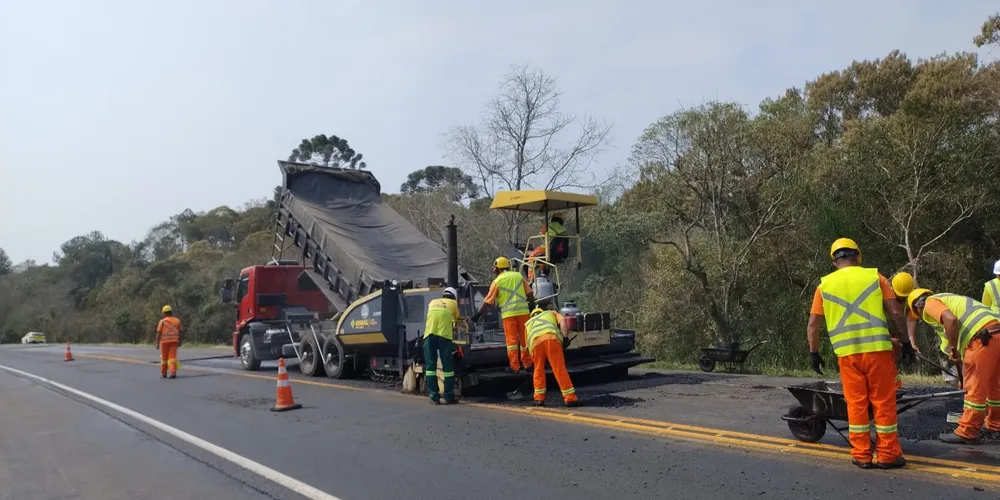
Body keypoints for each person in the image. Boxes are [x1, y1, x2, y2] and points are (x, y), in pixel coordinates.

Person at [807, 238, 914, 469]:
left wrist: (813, 353)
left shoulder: (824, 286)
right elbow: (896, 313)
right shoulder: (875, 277)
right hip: (877, 352)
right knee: (883, 403)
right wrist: (905, 343)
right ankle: (887, 456)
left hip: (847, 355)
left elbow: (813, 325)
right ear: (858, 256)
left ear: (834, 261)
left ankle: (862, 455)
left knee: (856, 404)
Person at [907, 289, 1000, 443]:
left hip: (982, 339)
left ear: (918, 307)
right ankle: (996, 425)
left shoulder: (931, 303)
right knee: (994, 387)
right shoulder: (951, 298)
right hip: (996, 334)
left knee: (974, 389)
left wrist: (953, 348)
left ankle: (967, 431)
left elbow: (950, 320)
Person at [471, 257, 535, 373]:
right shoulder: (518, 276)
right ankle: (528, 364)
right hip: (524, 313)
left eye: (494, 267)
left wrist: (479, 314)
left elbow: (488, 301)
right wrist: (532, 306)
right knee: (525, 339)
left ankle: (515, 367)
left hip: (509, 314)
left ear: (497, 269)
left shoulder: (497, 281)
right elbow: (530, 293)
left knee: (512, 341)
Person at [524, 307, 578, 407]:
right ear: (542, 311)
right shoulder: (551, 313)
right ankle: (569, 398)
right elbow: (563, 322)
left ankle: (539, 399)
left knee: (538, 370)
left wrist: (528, 364)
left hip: (536, 345)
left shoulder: (528, 324)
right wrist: (565, 338)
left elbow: (527, 346)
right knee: (559, 369)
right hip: (551, 339)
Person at [423, 287, 461, 405]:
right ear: (454, 297)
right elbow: (456, 319)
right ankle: (449, 396)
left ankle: (434, 397)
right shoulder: (453, 303)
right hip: (444, 336)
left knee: (430, 367)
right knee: (447, 367)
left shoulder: (432, 302)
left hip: (429, 335)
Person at [527, 214, 568, 280]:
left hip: (548, 249)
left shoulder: (548, 226)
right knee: (544, 259)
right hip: (561, 252)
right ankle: (543, 272)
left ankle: (530, 278)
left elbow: (541, 235)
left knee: (532, 256)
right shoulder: (564, 230)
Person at [155, 305, 184, 379]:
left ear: (164, 313)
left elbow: (158, 333)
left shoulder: (162, 321)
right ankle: (173, 373)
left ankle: (164, 373)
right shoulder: (177, 320)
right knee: (172, 358)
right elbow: (181, 332)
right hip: (174, 342)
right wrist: (180, 341)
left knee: (164, 359)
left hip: (164, 342)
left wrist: (157, 343)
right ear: (171, 312)